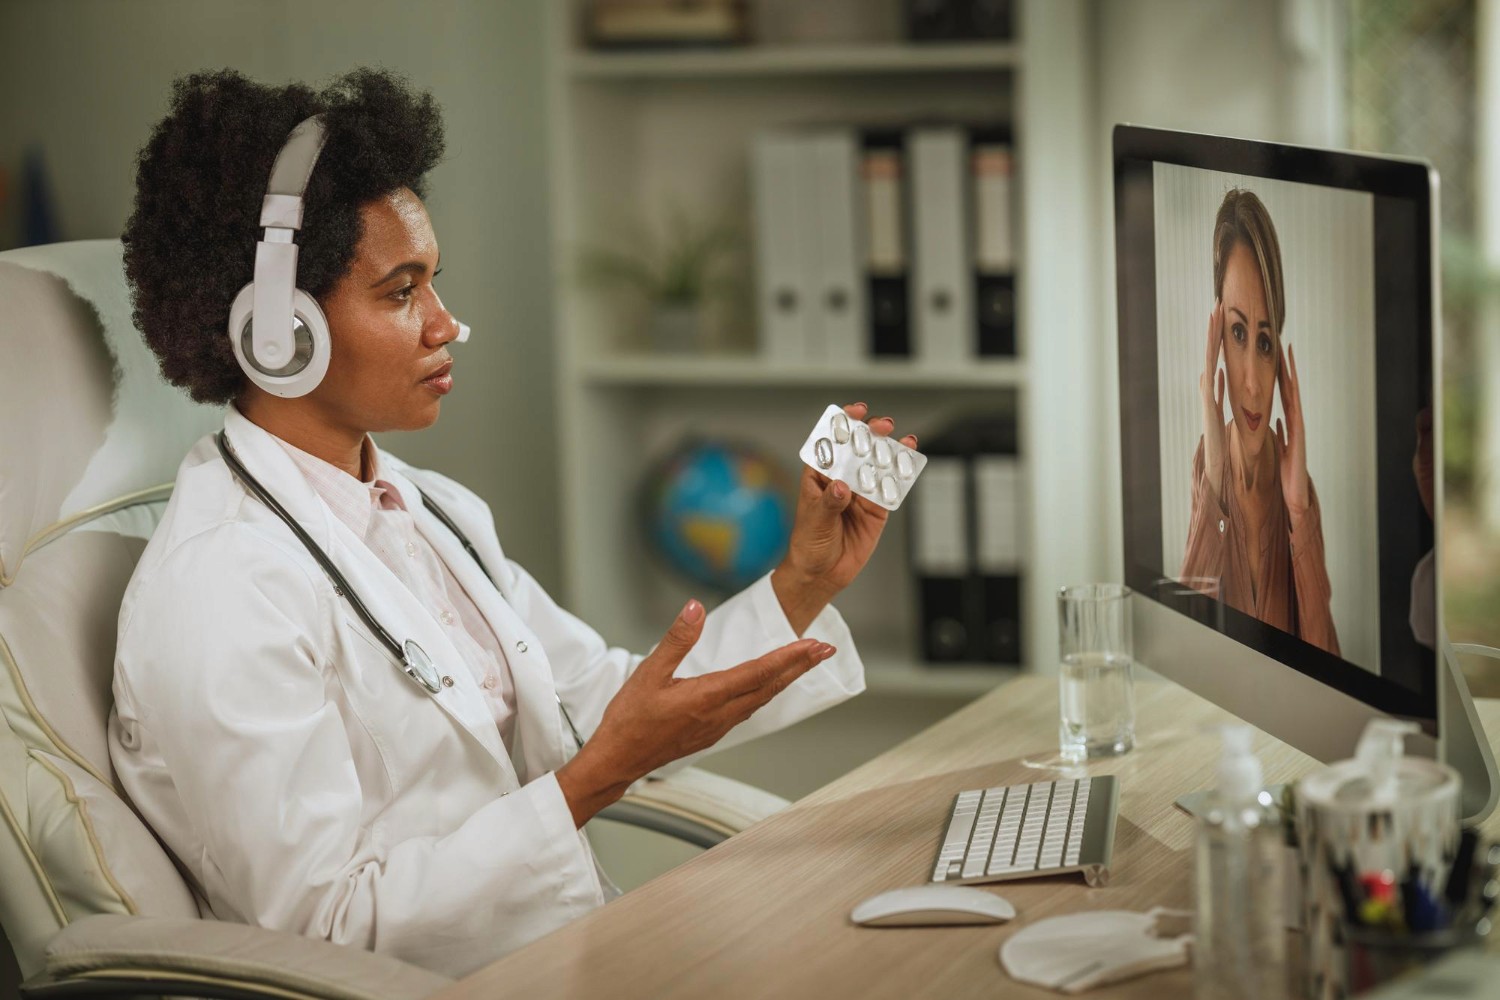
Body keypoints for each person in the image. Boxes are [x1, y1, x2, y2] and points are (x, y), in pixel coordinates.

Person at [109, 68, 913, 978]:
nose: (448, 325)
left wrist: (802, 582)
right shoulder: (219, 588)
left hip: (557, 959)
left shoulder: (430, 509)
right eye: (402, 291)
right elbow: (322, 932)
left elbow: (603, 704)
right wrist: (591, 781)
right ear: (276, 333)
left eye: (435, 283)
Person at [1180, 188, 1339, 656]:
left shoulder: (1298, 490)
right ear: (1217, 344)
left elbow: (1329, 670)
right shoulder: (1205, 470)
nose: (1252, 383)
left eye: (1266, 342)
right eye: (1237, 332)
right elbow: (1188, 654)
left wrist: (1297, 513)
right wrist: (1213, 477)